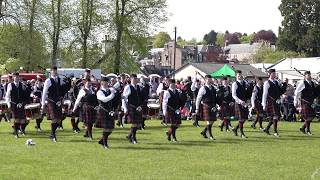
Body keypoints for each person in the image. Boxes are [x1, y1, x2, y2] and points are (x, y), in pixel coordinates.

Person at [41, 66, 70, 142]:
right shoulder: (48, 80)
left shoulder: (60, 80)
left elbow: (63, 90)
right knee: (54, 118)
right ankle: (53, 135)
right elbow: (44, 93)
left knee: (59, 119)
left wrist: (68, 82)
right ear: (50, 72)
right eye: (53, 70)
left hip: (58, 102)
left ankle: (51, 134)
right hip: (51, 102)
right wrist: (43, 104)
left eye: (55, 70)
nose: (54, 72)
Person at [261, 69, 287, 137]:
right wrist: (263, 104)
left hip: (277, 101)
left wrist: (284, 84)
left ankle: (267, 129)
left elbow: (280, 91)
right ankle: (275, 132)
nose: (274, 75)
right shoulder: (267, 82)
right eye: (273, 73)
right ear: (270, 74)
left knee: (275, 117)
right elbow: (265, 94)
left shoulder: (276, 82)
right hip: (271, 101)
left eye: (275, 73)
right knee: (275, 116)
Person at [5, 72, 29, 138]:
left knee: (23, 120)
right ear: (13, 77)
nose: (16, 78)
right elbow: (7, 96)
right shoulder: (10, 85)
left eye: (17, 77)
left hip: (21, 104)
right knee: (16, 119)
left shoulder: (22, 85)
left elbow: (25, 95)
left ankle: (21, 130)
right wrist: (9, 104)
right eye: (15, 77)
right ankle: (16, 133)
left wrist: (25, 102)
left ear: (19, 77)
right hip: (14, 104)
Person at [96, 76, 116, 149]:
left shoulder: (110, 90)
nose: (106, 83)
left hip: (110, 111)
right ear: (101, 83)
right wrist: (112, 94)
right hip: (103, 111)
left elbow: (115, 99)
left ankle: (102, 140)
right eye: (104, 82)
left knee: (111, 128)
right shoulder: (99, 92)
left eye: (107, 82)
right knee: (106, 128)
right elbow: (105, 100)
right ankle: (105, 144)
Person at [122, 74, 144, 144]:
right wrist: (124, 108)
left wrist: (140, 105)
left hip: (138, 107)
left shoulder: (138, 87)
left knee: (138, 124)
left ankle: (129, 136)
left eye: (136, 78)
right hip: (131, 107)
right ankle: (133, 138)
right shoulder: (128, 87)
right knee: (134, 124)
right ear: (130, 79)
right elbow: (124, 98)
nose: (135, 80)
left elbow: (140, 97)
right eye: (134, 79)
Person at [294, 71, 317, 135]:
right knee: (307, 117)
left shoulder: (312, 83)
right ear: (305, 76)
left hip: (310, 102)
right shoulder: (302, 83)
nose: (309, 76)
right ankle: (308, 130)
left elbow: (314, 92)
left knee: (312, 116)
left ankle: (303, 127)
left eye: (310, 75)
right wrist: (295, 101)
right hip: (304, 101)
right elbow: (296, 92)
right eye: (308, 75)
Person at [195, 75, 218, 140]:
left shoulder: (213, 88)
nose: (209, 81)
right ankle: (210, 135)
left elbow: (215, 97)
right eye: (208, 79)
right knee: (209, 121)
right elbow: (198, 99)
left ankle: (204, 132)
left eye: (210, 79)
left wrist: (217, 105)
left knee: (212, 121)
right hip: (206, 106)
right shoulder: (202, 88)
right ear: (205, 80)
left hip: (213, 106)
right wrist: (197, 108)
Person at [231, 70, 251, 138]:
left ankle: (235, 129)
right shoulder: (235, 84)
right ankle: (242, 134)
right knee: (241, 118)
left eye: (240, 74)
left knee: (245, 118)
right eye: (238, 75)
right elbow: (233, 95)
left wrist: (248, 100)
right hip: (239, 102)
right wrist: (240, 101)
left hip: (244, 102)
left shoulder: (244, 83)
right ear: (236, 76)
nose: (240, 76)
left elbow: (246, 93)